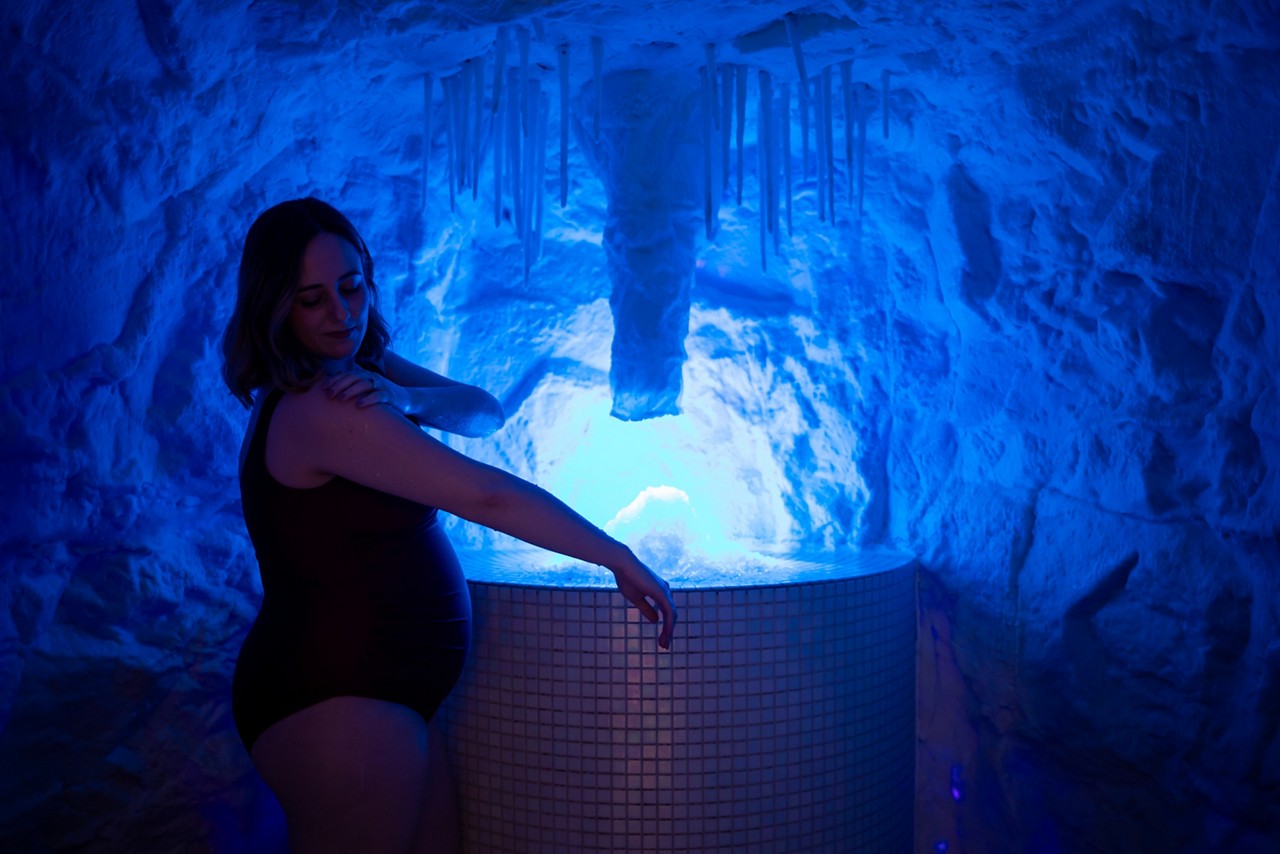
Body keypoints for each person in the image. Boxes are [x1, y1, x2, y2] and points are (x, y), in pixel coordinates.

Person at [221, 197, 677, 853]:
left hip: (373, 699)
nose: (342, 314)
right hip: (333, 698)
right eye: (312, 299)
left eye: (352, 287)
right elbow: (487, 497)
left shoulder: (361, 373)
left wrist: (408, 398)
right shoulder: (322, 403)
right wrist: (614, 554)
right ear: (275, 308)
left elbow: (484, 412)